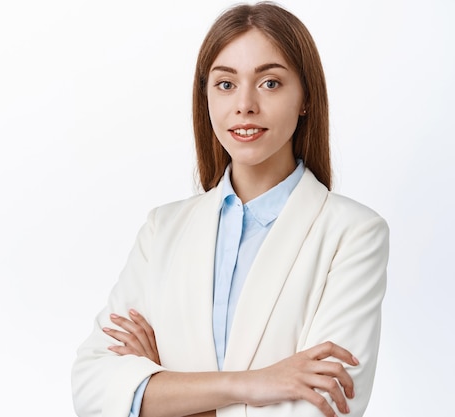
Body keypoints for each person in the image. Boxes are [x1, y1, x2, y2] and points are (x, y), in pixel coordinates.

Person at [71, 2, 389, 417]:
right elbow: (93, 390)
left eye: (270, 83)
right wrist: (251, 385)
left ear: (306, 97)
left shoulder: (354, 233)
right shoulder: (162, 230)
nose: (245, 105)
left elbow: (321, 406)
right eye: (225, 84)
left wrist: (164, 388)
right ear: (205, 96)